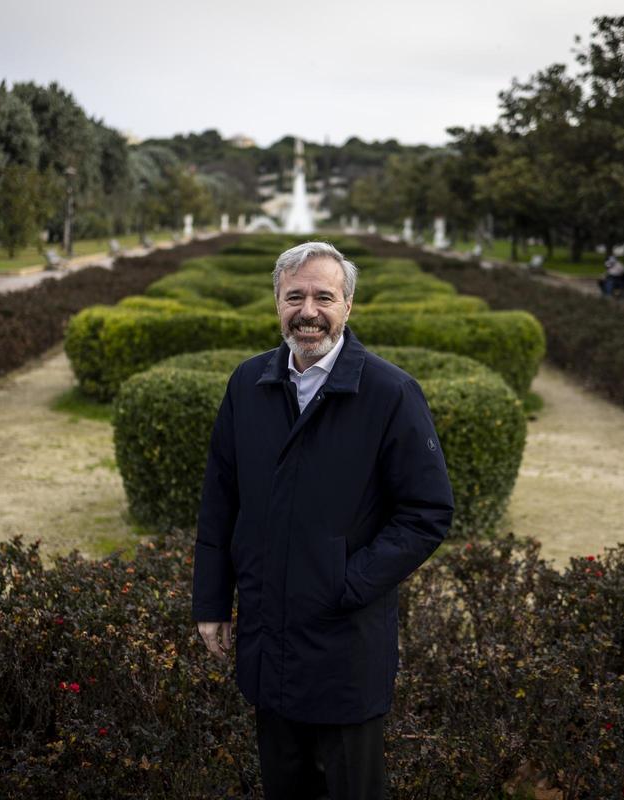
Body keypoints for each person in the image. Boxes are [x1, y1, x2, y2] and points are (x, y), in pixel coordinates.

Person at [193, 241, 454, 800]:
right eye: (295, 297)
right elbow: (220, 501)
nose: (308, 311)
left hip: (345, 646)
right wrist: (211, 602)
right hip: (267, 638)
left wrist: (346, 582)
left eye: (324, 297)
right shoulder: (247, 384)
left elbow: (428, 512)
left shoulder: (390, 392)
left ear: (348, 306)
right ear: (277, 303)